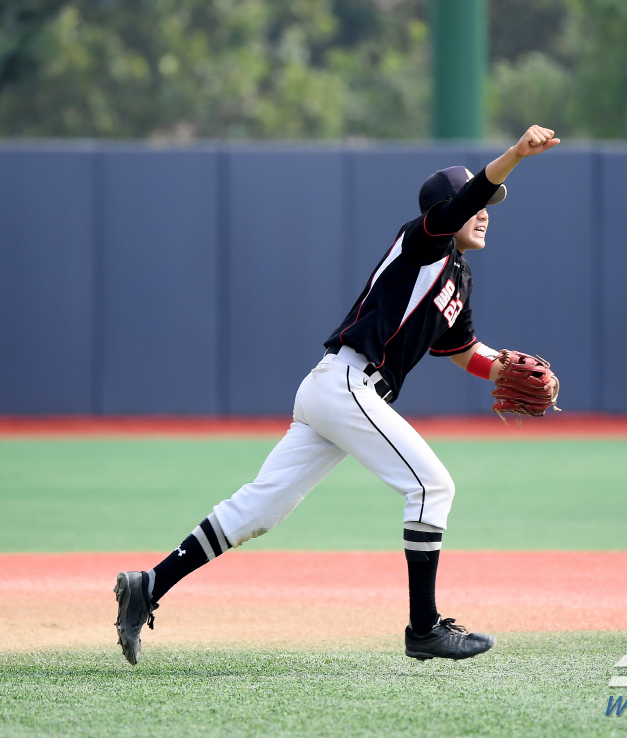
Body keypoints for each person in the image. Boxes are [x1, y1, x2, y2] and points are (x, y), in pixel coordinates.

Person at [115, 125, 562, 665]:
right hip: (349, 384)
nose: (485, 212)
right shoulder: (423, 243)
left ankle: (148, 585)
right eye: (478, 204)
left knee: (259, 510)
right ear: (449, 209)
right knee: (432, 486)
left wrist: (508, 370)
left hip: (336, 392)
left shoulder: (458, 277)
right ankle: (424, 628)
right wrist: (516, 154)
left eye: (490, 206)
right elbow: (465, 201)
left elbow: (464, 351)